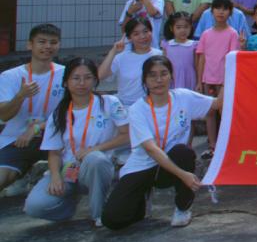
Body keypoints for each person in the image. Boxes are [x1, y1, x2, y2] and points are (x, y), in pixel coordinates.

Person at [102, 56, 223, 229]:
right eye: (152, 75)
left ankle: (183, 208)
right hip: (143, 166)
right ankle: (141, 203)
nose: (158, 80)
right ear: (144, 79)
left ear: (171, 76)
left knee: (184, 152)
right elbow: (151, 149)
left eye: (163, 74)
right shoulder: (137, 109)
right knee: (112, 220)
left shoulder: (183, 97)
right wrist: (183, 175)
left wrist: (229, 74)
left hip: (173, 164)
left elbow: (217, 104)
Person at [25, 58, 128, 226]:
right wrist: (55, 177)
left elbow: (127, 134)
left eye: (87, 77)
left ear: (95, 80)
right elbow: (54, 152)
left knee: (95, 159)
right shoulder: (59, 113)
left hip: (99, 168)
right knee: (35, 207)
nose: (82, 83)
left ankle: (98, 214)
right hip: (68, 171)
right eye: (76, 78)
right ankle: (69, 206)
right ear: (66, 82)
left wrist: (95, 149)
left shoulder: (109, 103)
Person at [0, 24, 64, 195]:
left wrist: (37, 127)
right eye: (42, 42)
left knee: (68, 175)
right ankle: (23, 174)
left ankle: (38, 175)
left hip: (54, 138)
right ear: (30, 45)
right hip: (16, 139)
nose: (48, 46)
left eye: (53, 42)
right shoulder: (10, 76)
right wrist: (20, 96)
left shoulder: (66, 75)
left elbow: (72, 113)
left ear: (59, 45)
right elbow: (4, 115)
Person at [195, 0, 241, 156]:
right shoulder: (206, 34)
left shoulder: (232, 33)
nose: (221, 12)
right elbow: (202, 58)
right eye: (217, 8)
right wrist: (200, 81)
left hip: (224, 81)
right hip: (208, 79)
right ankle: (212, 145)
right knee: (210, 112)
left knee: (224, 111)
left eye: (225, 9)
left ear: (230, 12)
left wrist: (227, 82)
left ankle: (228, 144)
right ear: (212, 11)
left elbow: (232, 58)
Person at [99, 18, 162, 108]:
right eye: (136, 34)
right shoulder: (121, 58)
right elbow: (100, 76)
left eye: (145, 31)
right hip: (126, 107)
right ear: (129, 38)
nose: (142, 36)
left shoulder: (160, 55)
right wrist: (113, 51)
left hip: (151, 106)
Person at [161, 13, 198, 90]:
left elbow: (196, 65)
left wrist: (198, 82)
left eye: (186, 27)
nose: (182, 30)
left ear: (191, 28)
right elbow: (164, 64)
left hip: (189, 77)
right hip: (173, 78)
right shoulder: (167, 44)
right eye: (178, 27)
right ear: (171, 28)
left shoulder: (194, 45)